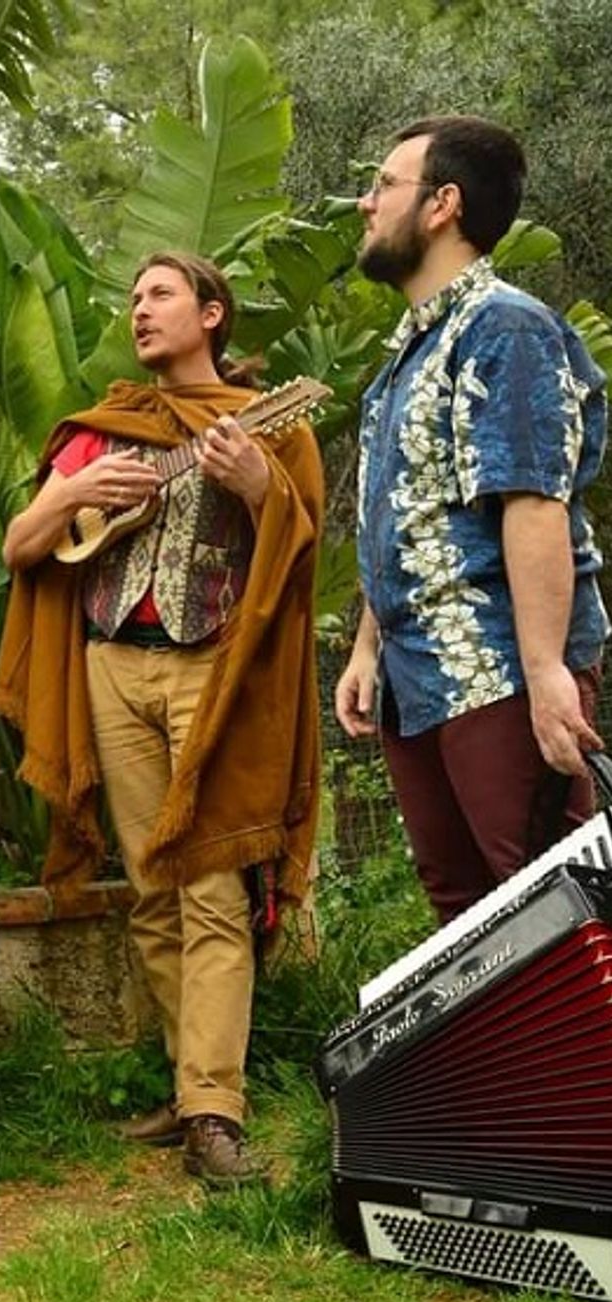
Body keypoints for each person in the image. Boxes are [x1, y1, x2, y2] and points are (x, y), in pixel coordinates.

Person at [0, 252, 324, 1187]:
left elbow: (299, 546)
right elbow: (21, 547)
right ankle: (188, 1085)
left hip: (213, 669)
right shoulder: (106, 431)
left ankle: (214, 1110)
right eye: (133, 298)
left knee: (210, 882)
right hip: (109, 668)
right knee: (150, 887)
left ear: (212, 314)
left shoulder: (268, 422)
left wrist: (255, 485)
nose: (140, 310)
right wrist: (71, 494)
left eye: (160, 295)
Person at [334, 116, 608, 925]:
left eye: (384, 184)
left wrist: (548, 672)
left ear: (442, 204)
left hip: (497, 667)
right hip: (414, 681)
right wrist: (367, 648)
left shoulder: (505, 327)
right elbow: (402, 518)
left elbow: (534, 501)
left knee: (555, 906)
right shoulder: (402, 363)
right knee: (468, 927)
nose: (366, 202)